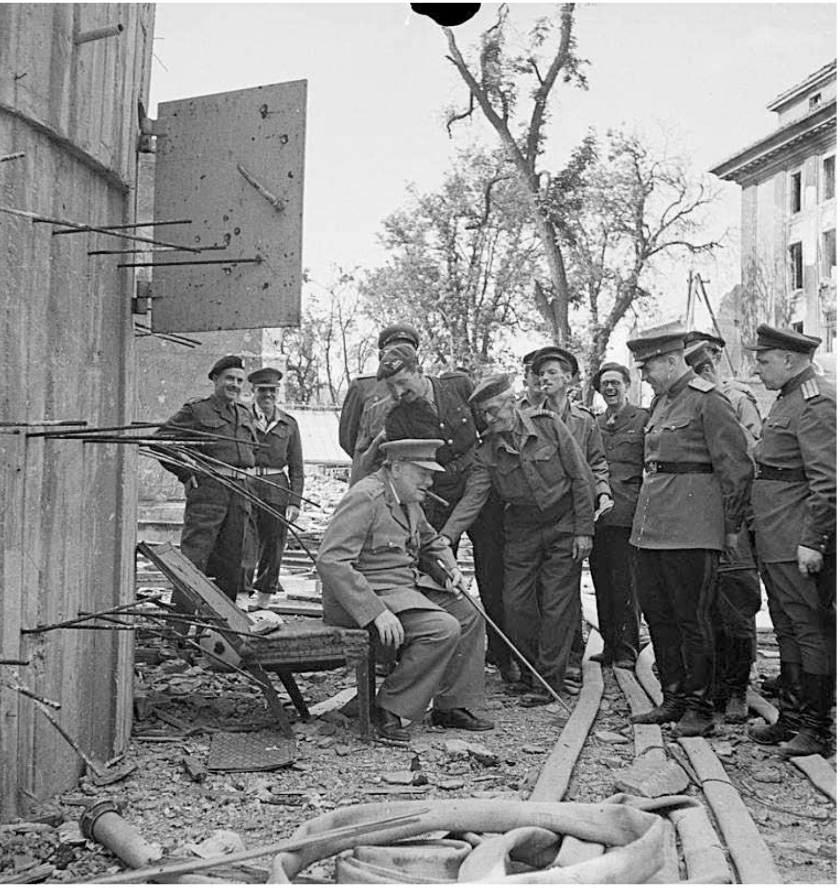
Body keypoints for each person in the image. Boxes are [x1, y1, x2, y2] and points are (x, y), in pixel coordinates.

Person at [316, 438, 493, 744]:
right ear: (396, 468)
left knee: (469, 611)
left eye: (430, 473)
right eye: (421, 472)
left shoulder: (408, 497)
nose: (430, 480)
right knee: (442, 628)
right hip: (363, 596)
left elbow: (431, 541)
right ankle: (387, 708)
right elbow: (331, 560)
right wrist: (375, 612)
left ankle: (450, 706)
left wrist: (452, 569)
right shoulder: (366, 497)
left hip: (401, 589)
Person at [627, 330, 753, 737]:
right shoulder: (662, 401)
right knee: (658, 616)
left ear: (669, 360)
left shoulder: (708, 400)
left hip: (692, 528)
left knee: (692, 620)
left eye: (647, 367)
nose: (644, 375)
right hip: (652, 526)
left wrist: (731, 528)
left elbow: (736, 469)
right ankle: (674, 698)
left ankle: (700, 706)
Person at [439, 374, 595, 703]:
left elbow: (581, 477)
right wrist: (444, 538)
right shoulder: (486, 452)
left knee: (556, 604)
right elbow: (472, 499)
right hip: (522, 530)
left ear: (512, 403)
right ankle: (529, 672)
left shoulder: (549, 425)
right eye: (484, 415)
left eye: (495, 411)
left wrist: (584, 530)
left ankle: (547, 682)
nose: (490, 419)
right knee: (514, 603)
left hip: (563, 524)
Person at [366, 344, 516, 683]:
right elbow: (405, 471)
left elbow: (488, 428)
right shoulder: (398, 418)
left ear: (419, 370)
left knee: (493, 573)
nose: (399, 392)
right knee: (432, 572)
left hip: (479, 489)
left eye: (403, 382)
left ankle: (503, 659)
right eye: (391, 387)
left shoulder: (458, 386)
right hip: (433, 497)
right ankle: (422, 658)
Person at [744, 324, 835, 756]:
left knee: (809, 629)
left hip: (796, 537)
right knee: (787, 628)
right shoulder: (788, 399)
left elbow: (828, 481)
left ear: (789, 359)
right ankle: (794, 718)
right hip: (775, 534)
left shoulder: (815, 402)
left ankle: (818, 728)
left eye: (764, 361)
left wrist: (814, 540)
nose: (757, 369)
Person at [685, 340, 762, 722]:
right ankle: (713, 687)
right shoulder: (679, 402)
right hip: (698, 521)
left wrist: (735, 523)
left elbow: (749, 459)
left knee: (737, 608)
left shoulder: (735, 400)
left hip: (734, 520)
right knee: (706, 609)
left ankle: (736, 690)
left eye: (703, 368)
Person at [528, 345, 614, 678]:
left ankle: (562, 663)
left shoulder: (584, 421)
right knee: (534, 598)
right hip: (535, 517)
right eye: (541, 374)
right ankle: (542, 664)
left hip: (572, 516)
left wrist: (603, 491)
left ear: (569, 379)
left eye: (552, 373)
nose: (544, 379)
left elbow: (597, 463)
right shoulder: (526, 415)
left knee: (561, 598)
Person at [156, 355, 259, 602]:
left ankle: (218, 630)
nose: (235, 384)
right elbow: (160, 441)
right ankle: (180, 631)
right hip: (208, 493)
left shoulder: (245, 414)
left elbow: (250, 453)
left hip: (239, 493)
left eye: (239, 380)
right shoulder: (197, 410)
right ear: (215, 379)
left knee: (231, 564)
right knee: (194, 558)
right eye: (229, 379)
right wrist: (185, 473)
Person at [588, 362, 647, 669]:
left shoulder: (642, 419)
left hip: (628, 512)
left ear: (627, 384)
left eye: (615, 383)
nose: (610, 388)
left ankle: (627, 649)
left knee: (625, 583)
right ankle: (610, 645)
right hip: (598, 514)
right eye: (605, 384)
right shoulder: (594, 423)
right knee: (602, 581)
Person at [245, 367, 305, 610]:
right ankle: (241, 594)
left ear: (278, 392)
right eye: (262, 390)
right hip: (246, 484)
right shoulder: (242, 418)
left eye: (272, 390)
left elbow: (297, 467)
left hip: (277, 488)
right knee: (243, 541)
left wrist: (295, 501)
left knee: (274, 542)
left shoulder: (288, 423)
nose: (267, 395)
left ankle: (264, 597)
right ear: (253, 391)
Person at [339, 324, 421, 482]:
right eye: (393, 352)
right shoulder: (362, 386)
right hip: (370, 475)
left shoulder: (422, 386)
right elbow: (347, 438)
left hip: (408, 477)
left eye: (406, 352)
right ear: (382, 355)